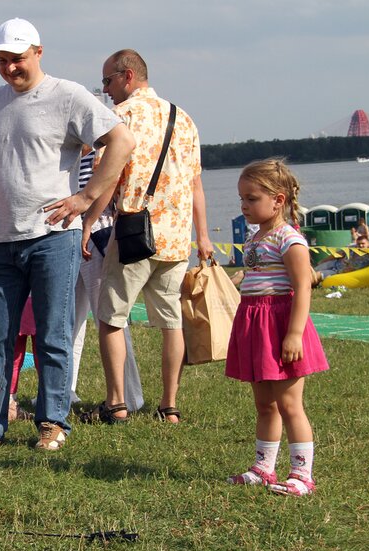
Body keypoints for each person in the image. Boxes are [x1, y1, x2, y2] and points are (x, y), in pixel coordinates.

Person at [0, 18, 135, 451]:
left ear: (38, 52)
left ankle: (53, 422)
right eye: (2, 60)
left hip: (54, 238)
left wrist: (86, 197)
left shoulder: (68, 96)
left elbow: (122, 142)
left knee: (53, 333)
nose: (10, 68)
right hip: (1, 240)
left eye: (17, 59)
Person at [91, 49, 212, 425]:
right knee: (170, 321)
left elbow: (105, 182)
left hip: (133, 235)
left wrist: (85, 225)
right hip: (177, 238)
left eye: (108, 81)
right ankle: (170, 406)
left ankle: (116, 403)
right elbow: (196, 186)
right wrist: (203, 236)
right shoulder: (184, 118)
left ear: (127, 77)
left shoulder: (120, 118)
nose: (106, 90)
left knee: (112, 318)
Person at [225, 159, 328, 496]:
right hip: (255, 325)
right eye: (241, 198)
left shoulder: (290, 239)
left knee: (289, 404)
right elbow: (258, 275)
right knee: (264, 404)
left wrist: (294, 333)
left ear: (278, 199)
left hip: (280, 325)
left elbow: (302, 287)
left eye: (252, 199)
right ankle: (263, 468)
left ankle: (302, 475)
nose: (244, 206)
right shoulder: (256, 238)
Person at [71, 148, 143, 412]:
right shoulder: (70, 156)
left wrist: (87, 223)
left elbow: (111, 188)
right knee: (69, 320)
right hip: (69, 237)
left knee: (112, 319)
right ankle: (65, 391)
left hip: (97, 238)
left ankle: (130, 396)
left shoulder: (103, 152)